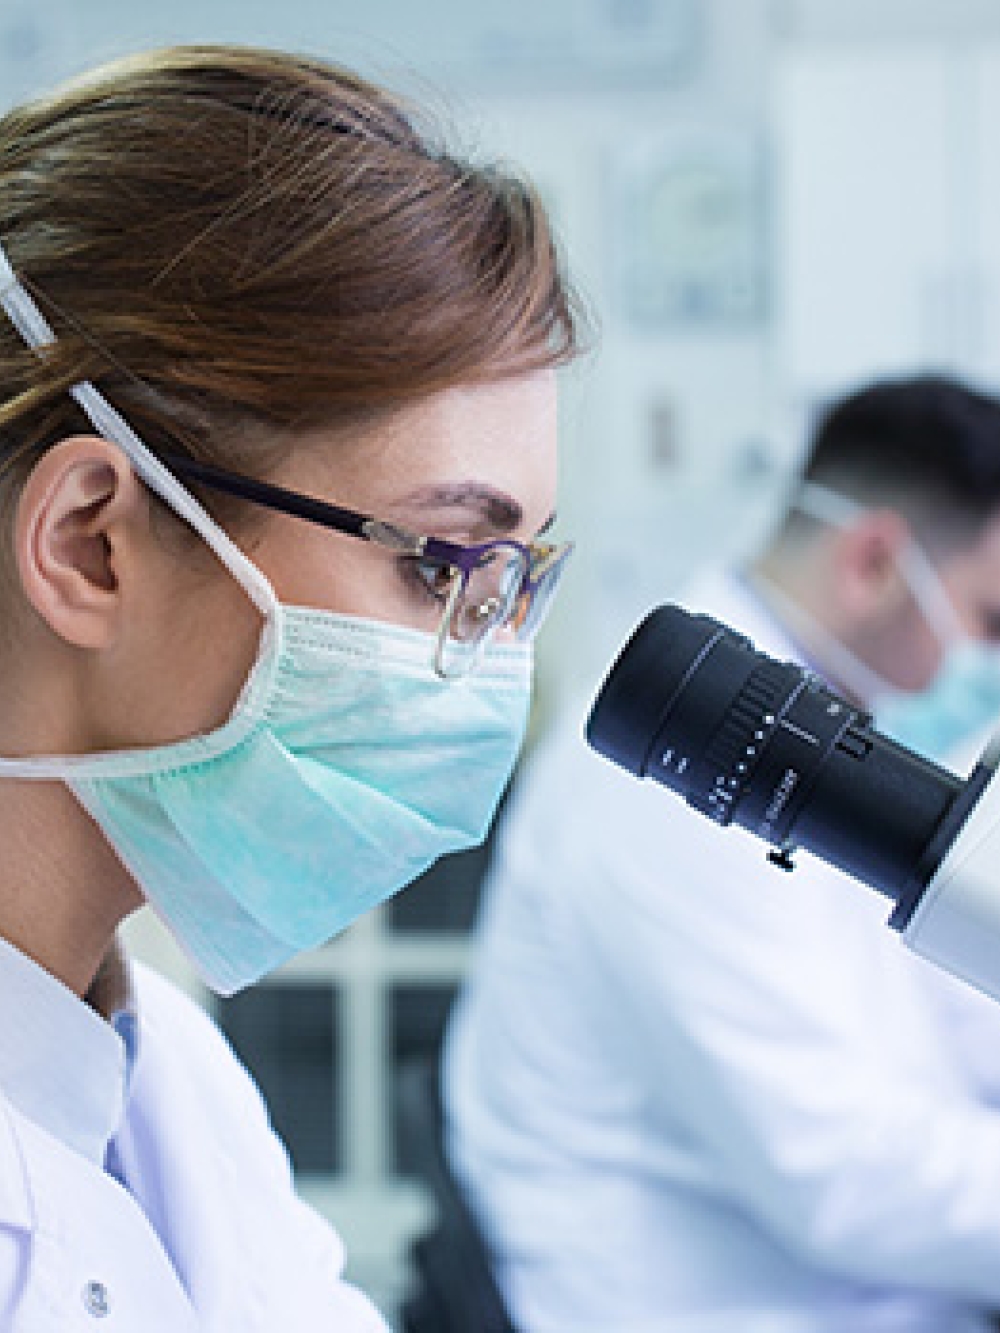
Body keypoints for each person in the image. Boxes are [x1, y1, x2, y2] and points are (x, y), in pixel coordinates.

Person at [0, 44, 581, 1331]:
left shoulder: (176, 1088)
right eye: (442, 566)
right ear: (90, 543)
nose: (487, 669)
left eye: (511, 582)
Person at [443, 375, 1000, 1333]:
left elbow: (957, 1025)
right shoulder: (678, 777)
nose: (986, 662)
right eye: (992, 621)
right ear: (872, 562)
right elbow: (844, 1174)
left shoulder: (845, 748)